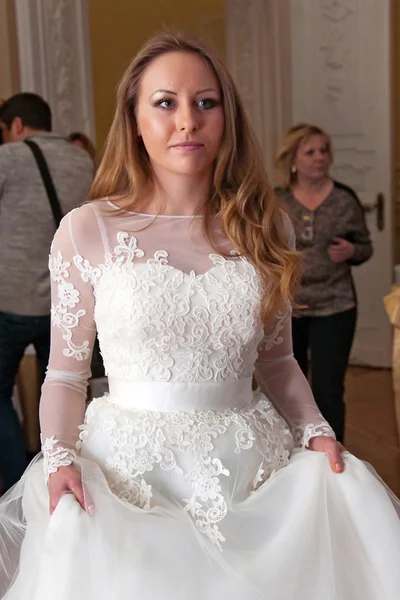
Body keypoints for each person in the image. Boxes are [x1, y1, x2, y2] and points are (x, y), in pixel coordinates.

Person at [0, 34, 399, 600]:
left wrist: (315, 432)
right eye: (165, 103)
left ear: (226, 118)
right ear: (134, 120)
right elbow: (65, 374)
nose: (187, 120)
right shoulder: (89, 231)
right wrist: (60, 456)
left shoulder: (267, 229)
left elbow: (280, 361)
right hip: (129, 476)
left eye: (205, 102)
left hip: (249, 469)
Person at [0, 93, 94, 493]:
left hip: (14, 301)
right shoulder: (82, 160)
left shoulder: (8, 158)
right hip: (67, 302)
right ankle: (57, 465)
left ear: (17, 125)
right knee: (59, 389)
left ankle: (22, 482)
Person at [275, 123, 373, 444]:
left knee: (328, 389)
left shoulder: (344, 199)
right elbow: (260, 248)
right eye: (310, 152)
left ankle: (332, 460)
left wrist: (351, 251)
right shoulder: (276, 201)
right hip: (288, 307)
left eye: (324, 151)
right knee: (288, 387)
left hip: (336, 305)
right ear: (293, 159)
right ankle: (290, 454)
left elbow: (365, 247)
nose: (319, 158)